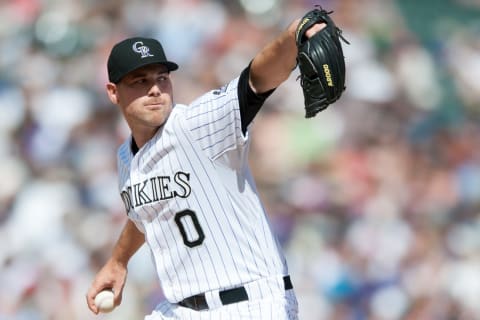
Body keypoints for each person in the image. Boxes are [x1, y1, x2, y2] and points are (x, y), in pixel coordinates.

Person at [86, 16, 325, 320]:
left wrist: (292, 38)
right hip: (182, 310)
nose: (156, 89)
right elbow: (144, 214)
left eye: (162, 78)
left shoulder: (193, 124)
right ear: (113, 91)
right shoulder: (125, 158)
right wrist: (118, 262)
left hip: (251, 304)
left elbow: (256, 79)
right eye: (140, 81)